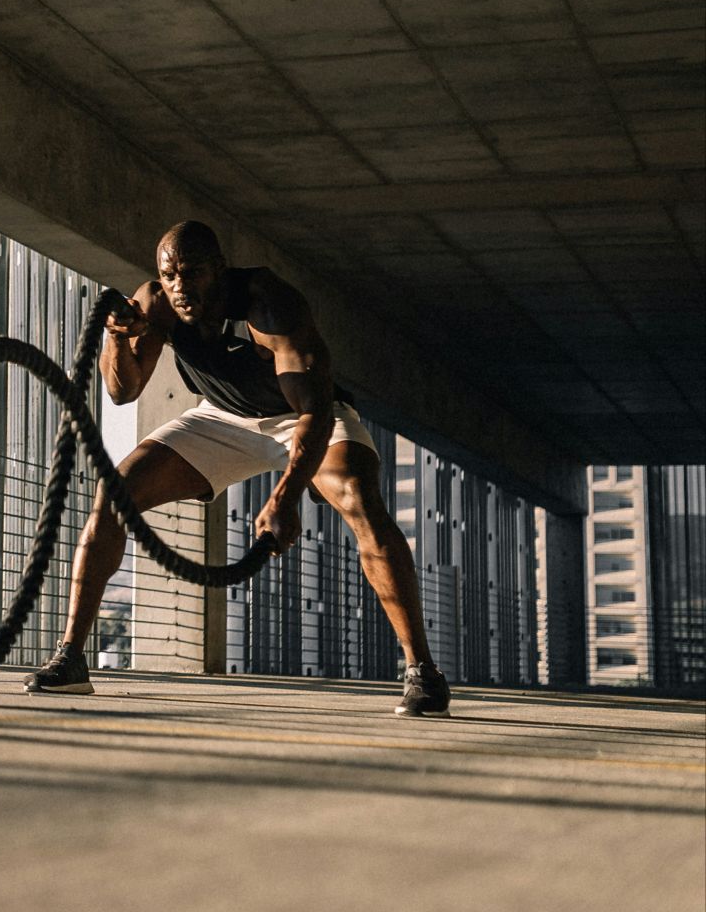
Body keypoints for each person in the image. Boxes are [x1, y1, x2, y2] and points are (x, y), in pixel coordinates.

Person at [24, 221, 450, 717]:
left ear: (220, 271)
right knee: (115, 493)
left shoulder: (270, 305)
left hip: (304, 417)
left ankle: (422, 671)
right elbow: (123, 391)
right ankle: (72, 658)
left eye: (193, 272)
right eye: (170, 274)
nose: (181, 286)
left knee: (360, 500)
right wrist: (118, 338)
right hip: (222, 417)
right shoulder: (158, 301)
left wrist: (285, 497)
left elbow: (313, 410)